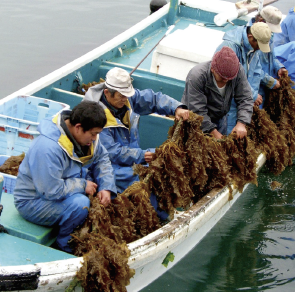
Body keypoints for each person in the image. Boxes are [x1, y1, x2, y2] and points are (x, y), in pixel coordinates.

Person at [14, 101, 116, 253]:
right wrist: (82, 185)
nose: (95, 139)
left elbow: (102, 159)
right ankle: (65, 246)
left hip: (62, 191)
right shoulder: (48, 148)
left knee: (102, 196)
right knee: (80, 204)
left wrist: (106, 187)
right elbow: (50, 191)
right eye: (93, 134)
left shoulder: (87, 135)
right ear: (78, 128)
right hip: (33, 201)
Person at [84, 67, 189, 195]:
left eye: (127, 95)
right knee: (142, 177)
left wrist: (176, 108)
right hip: (108, 167)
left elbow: (154, 99)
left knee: (162, 171)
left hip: (134, 159)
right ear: (107, 92)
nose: (125, 99)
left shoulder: (127, 99)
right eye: (121, 95)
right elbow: (112, 152)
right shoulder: (94, 117)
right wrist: (142, 155)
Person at [181, 46, 253, 139]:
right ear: (213, 69)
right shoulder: (197, 76)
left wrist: (242, 123)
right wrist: (213, 132)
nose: (226, 80)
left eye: (229, 78)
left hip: (220, 120)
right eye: (222, 78)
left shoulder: (237, 71)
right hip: (194, 123)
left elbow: (245, 98)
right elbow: (197, 110)